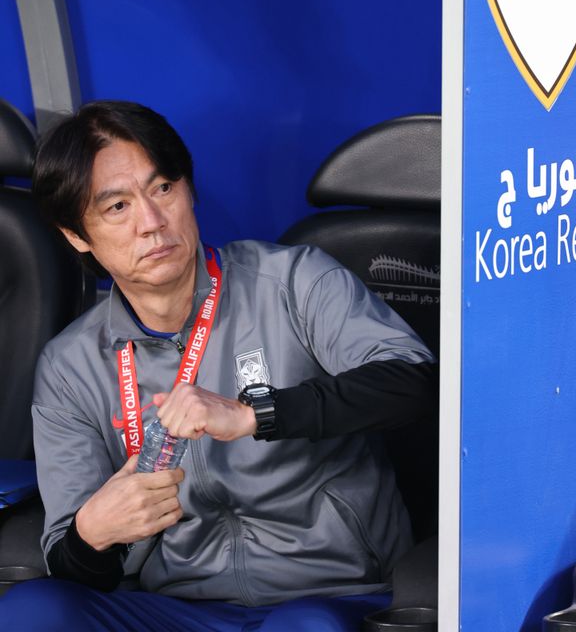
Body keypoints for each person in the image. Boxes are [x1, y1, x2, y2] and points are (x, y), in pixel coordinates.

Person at [0, 101, 436, 632]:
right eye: (117, 207)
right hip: (178, 607)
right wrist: (92, 534)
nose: (152, 223)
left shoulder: (293, 281)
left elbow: (413, 381)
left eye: (163, 188)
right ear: (76, 235)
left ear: (189, 190)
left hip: (327, 593)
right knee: (32, 611)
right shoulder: (71, 367)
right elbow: (74, 569)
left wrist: (257, 414)